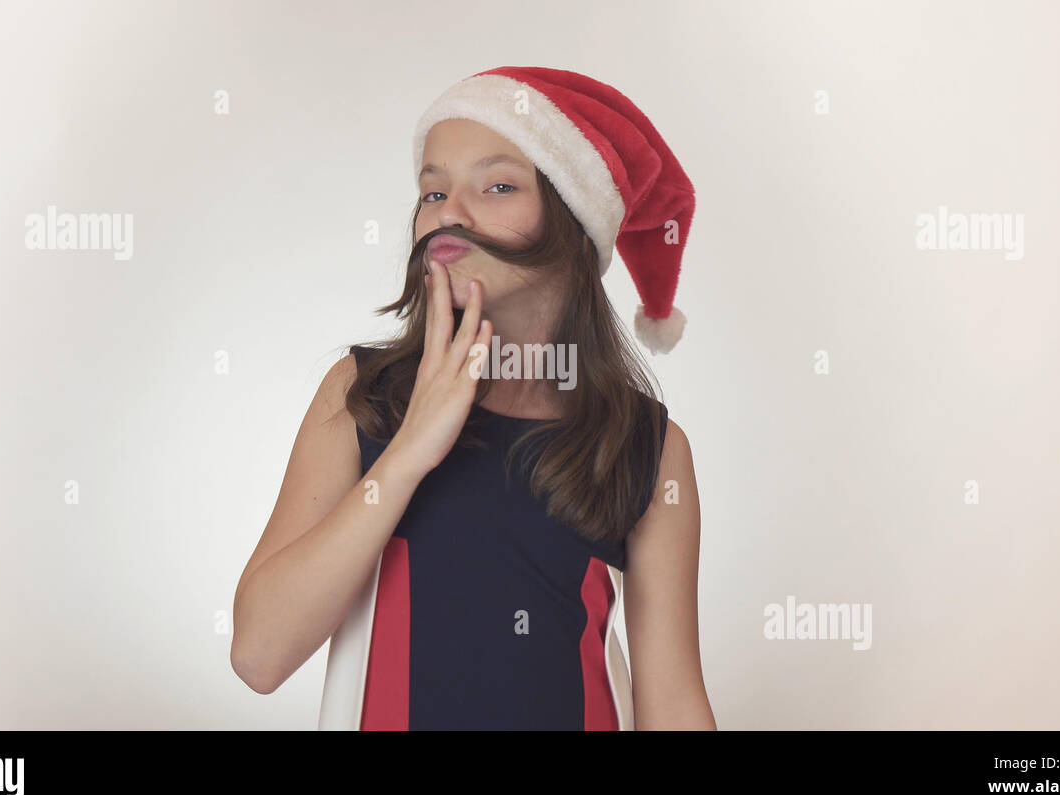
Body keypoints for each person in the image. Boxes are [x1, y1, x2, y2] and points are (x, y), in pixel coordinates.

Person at [231, 67, 714, 730]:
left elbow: (674, 703)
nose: (450, 211)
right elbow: (259, 654)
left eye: (498, 185)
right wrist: (408, 453)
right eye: (433, 191)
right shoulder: (360, 397)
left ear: (573, 218)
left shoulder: (649, 448)